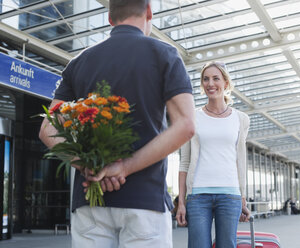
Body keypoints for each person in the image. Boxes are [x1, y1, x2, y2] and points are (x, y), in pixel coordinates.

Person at [39, 0, 195, 247]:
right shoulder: (165, 54)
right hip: (145, 201)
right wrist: (124, 167)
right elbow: (186, 125)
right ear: (149, 12)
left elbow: (48, 130)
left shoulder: (78, 62)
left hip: (90, 201)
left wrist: (88, 167)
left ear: (110, 18)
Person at [176, 61, 251, 248]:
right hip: (198, 196)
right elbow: (184, 162)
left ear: (226, 83)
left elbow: (240, 161)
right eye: (206, 79)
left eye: (216, 78)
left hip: (230, 195)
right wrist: (181, 203)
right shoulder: (192, 117)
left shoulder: (241, 119)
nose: (210, 83)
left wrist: (243, 197)